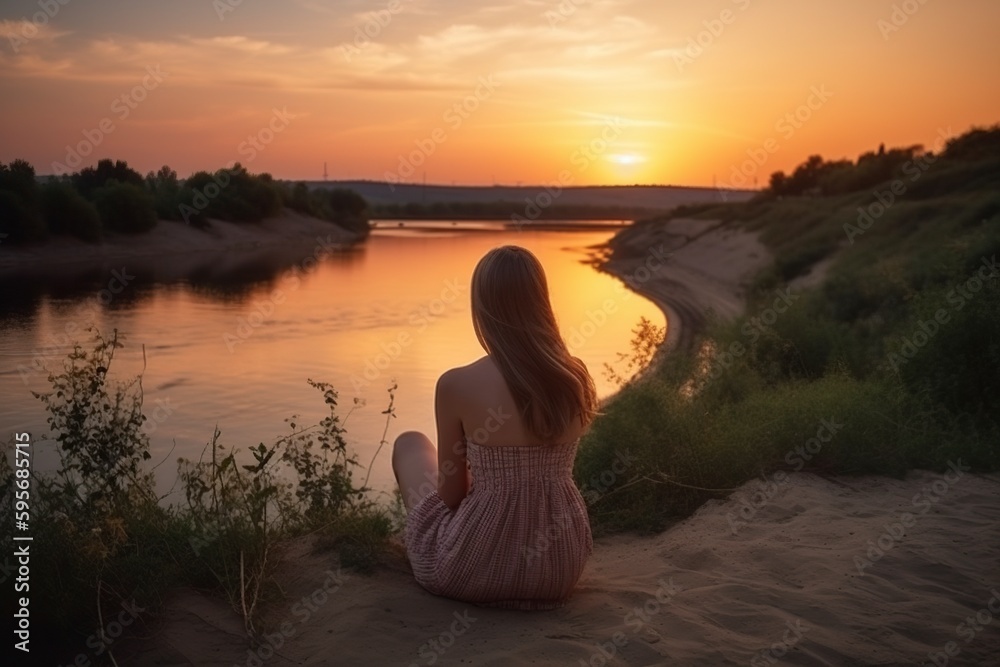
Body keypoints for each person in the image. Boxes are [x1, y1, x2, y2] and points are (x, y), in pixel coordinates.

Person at [392, 245, 598, 609]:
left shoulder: (456, 384)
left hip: (473, 567)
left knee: (410, 443)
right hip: (558, 567)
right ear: (541, 301)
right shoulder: (574, 375)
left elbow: (451, 495)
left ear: (483, 307)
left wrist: (486, 481)